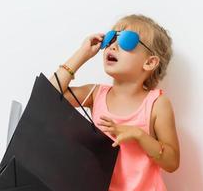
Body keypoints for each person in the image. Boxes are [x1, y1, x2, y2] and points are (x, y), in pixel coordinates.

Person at [49, 14, 180, 191]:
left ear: (149, 62)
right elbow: (47, 95)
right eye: (111, 38)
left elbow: (172, 162)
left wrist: (138, 135)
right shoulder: (95, 94)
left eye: (127, 41)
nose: (113, 46)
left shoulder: (157, 103)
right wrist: (82, 55)